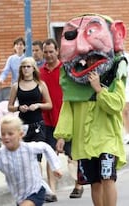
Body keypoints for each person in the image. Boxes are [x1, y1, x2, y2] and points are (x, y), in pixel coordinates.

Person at [55, 14, 127, 206]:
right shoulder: (74, 85)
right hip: (84, 142)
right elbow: (67, 109)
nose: (90, 62)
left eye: (95, 57)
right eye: (87, 59)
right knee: (94, 182)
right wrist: (62, 136)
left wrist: (99, 90)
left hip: (106, 139)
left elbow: (117, 105)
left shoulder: (114, 78)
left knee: (107, 178)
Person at [39, 38, 83, 202]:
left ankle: (78, 184)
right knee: (51, 155)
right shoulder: (40, 71)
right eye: (46, 52)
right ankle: (52, 191)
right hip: (48, 121)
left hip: (66, 119)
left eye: (51, 51)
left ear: (57, 51)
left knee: (73, 155)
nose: (48, 55)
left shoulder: (66, 69)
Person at [0, 115, 63, 206]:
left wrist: (56, 167)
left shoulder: (29, 148)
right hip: (20, 196)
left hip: (36, 190)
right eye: (3, 134)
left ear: (21, 134)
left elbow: (45, 147)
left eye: (10, 134)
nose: (6, 137)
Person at [8, 57, 52, 160]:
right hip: (22, 125)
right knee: (23, 157)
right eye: (23, 67)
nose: (26, 69)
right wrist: (19, 108)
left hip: (38, 125)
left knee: (37, 158)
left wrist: (38, 105)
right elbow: (10, 107)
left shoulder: (41, 85)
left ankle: (38, 176)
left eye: (28, 66)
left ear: (33, 69)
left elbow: (49, 105)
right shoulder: (16, 86)